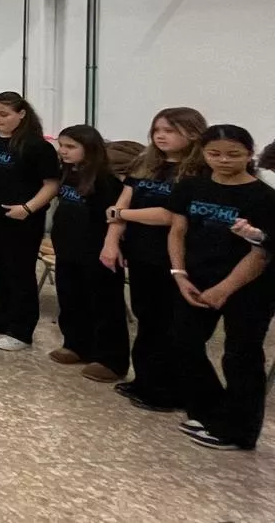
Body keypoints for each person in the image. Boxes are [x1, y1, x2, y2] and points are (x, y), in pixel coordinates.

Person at [164, 124, 274, 451]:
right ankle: (213, 412)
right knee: (182, 343)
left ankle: (238, 431)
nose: (223, 160)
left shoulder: (264, 198)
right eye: (215, 153)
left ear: (249, 154)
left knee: (241, 356)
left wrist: (225, 289)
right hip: (196, 277)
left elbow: (262, 253)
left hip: (249, 285)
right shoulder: (192, 186)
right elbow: (177, 231)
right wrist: (179, 273)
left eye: (233, 154)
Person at [101, 107, 205, 413]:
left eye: (170, 130)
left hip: (175, 258)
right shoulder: (146, 164)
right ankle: (145, 380)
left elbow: (169, 216)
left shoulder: (198, 172)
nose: (161, 136)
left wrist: (121, 214)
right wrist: (111, 240)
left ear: (193, 133)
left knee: (169, 324)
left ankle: (168, 389)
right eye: (157, 129)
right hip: (140, 252)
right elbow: (122, 201)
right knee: (146, 318)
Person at [0, 91, 60, 352]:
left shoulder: (37, 146)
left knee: (19, 271)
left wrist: (28, 208)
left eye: (4, 114)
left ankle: (21, 329)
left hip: (22, 218)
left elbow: (51, 184)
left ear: (21, 114)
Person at [47, 125, 127, 383]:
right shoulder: (68, 173)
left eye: (70, 147)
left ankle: (109, 359)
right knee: (71, 297)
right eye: (62, 145)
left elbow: (115, 220)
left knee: (103, 304)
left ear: (90, 150)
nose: (63, 151)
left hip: (97, 251)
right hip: (68, 247)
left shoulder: (106, 181)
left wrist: (111, 246)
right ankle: (76, 344)